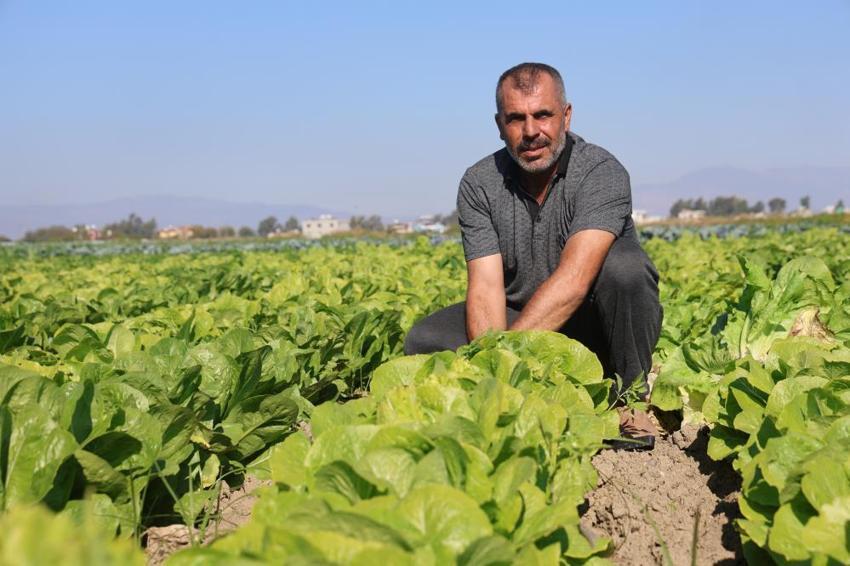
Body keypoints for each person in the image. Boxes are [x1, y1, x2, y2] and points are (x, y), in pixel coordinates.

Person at [404, 62, 662, 449]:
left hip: (594, 323)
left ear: (566, 116)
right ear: (498, 124)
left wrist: (506, 364)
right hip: (521, 316)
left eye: (543, 115)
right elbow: (486, 286)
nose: (531, 132)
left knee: (625, 269)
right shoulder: (479, 183)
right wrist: (493, 366)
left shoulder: (600, 172)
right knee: (425, 339)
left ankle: (628, 398)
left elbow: (576, 279)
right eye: (516, 118)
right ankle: (533, 397)